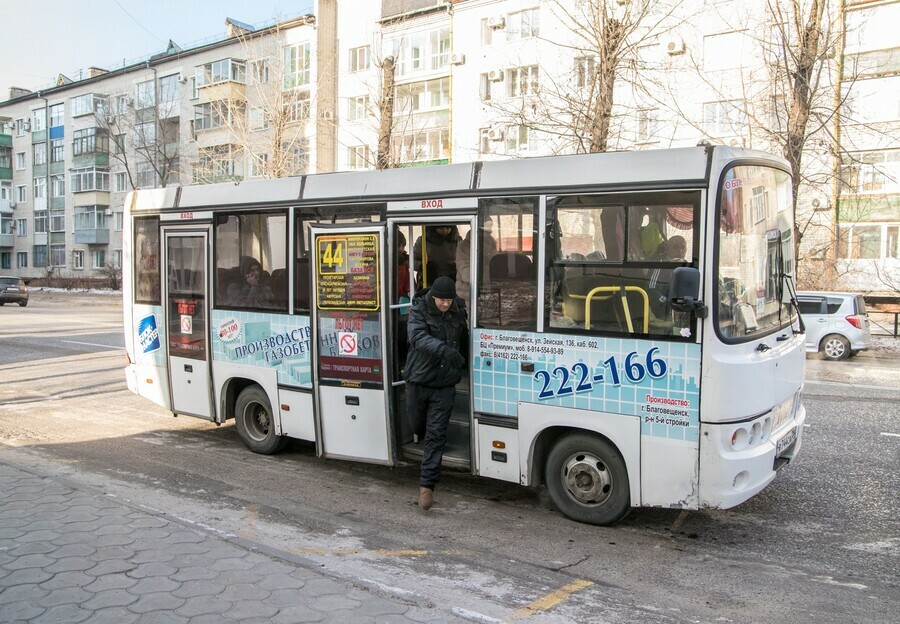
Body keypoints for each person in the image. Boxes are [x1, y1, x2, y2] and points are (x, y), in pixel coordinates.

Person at [404, 275, 468, 511]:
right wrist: (445, 351)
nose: (445, 304)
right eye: (441, 300)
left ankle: (426, 486)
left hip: (444, 385)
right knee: (417, 427)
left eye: (448, 300)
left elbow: (464, 336)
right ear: (433, 296)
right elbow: (417, 338)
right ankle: (424, 453)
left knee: (435, 434)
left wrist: (464, 361)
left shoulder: (458, 310)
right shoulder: (419, 309)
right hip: (418, 381)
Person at [455, 219, 498, 310]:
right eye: (486, 227)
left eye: (490, 227)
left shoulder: (491, 244)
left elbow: (496, 264)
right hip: (467, 293)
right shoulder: (464, 246)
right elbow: (466, 274)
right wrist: (490, 273)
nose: (490, 231)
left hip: (487, 290)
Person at [648, 236, 687, 319]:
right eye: (675, 247)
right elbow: (651, 289)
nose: (680, 251)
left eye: (683, 247)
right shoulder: (661, 265)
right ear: (667, 249)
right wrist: (669, 305)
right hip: (664, 310)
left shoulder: (688, 266)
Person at [413, 225, 460, 290]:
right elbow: (412, 261)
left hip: (452, 279)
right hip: (429, 280)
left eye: (448, 228)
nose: (445, 231)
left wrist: (457, 265)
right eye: (441, 228)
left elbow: (463, 259)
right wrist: (424, 266)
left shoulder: (457, 240)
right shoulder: (423, 240)